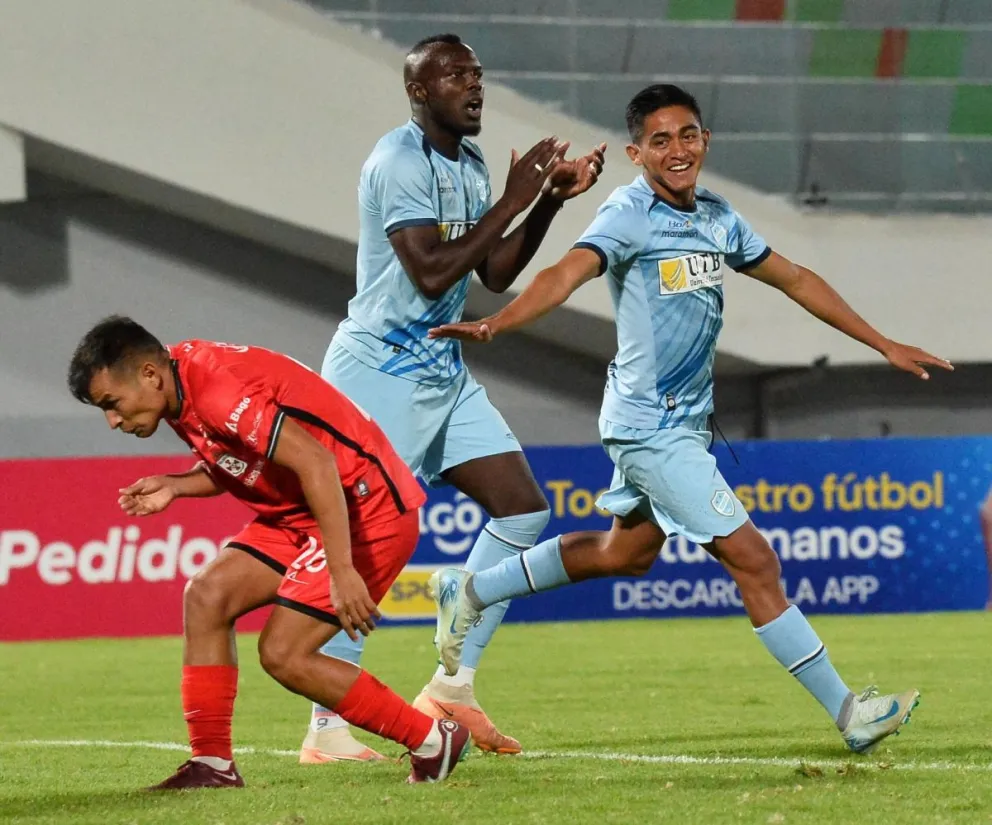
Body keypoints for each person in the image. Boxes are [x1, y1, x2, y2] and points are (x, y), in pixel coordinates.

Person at [426, 84, 954, 754]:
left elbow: (796, 278)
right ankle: (851, 713)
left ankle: (470, 588)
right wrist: (497, 323)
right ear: (636, 153)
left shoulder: (717, 216)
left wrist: (882, 343)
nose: (677, 150)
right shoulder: (628, 214)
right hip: (650, 427)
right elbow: (567, 272)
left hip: (682, 425)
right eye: (660, 140)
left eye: (688, 135)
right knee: (755, 560)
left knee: (624, 553)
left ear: (705, 140)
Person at [302, 32, 607, 762]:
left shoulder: (469, 161)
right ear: (418, 92)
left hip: (441, 366)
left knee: (523, 508)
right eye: (455, 76)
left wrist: (544, 205)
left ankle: (451, 685)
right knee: (367, 536)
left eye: (477, 73)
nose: (474, 85)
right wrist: (514, 198)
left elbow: (491, 272)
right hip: (380, 372)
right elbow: (433, 272)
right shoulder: (397, 161)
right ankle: (325, 727)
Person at [67, 316, 471, 788]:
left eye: (111, 404)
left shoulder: (217, 389)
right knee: (207, 596)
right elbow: (240, 459)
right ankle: (212, 764)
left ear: (149, 375)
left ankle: (432, 739)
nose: (112, 421)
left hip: (365, 508)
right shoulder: (179, 385)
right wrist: (177, 486)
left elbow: (316, 461)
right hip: (302, 511)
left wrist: (341, 570)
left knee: (284, 653)